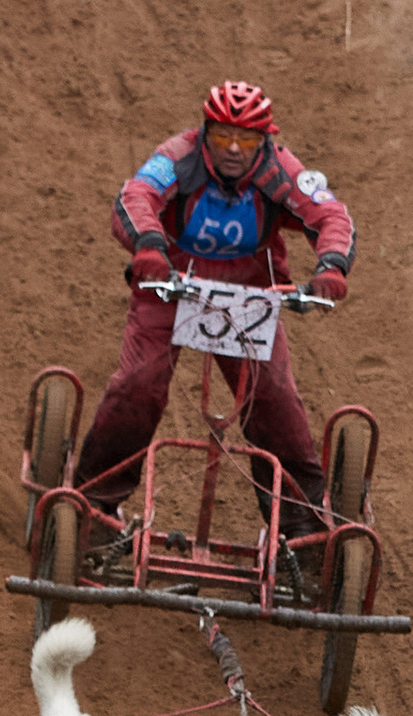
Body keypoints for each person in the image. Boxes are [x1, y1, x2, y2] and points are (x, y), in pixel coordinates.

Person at [72, 80, 356, 530]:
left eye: (247, 139)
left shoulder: (280, 169)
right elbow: (136, 196)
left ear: (266, 140)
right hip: (169, 277)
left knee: (273, 399)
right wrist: (147, 245)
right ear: (205, 131)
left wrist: (332, 265)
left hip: (249, 287)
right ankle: (95, 502)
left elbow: (329, 214)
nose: (234, 149)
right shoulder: (178, 158)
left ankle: (300, 525)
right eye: (223, 135)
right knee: (139, 385)